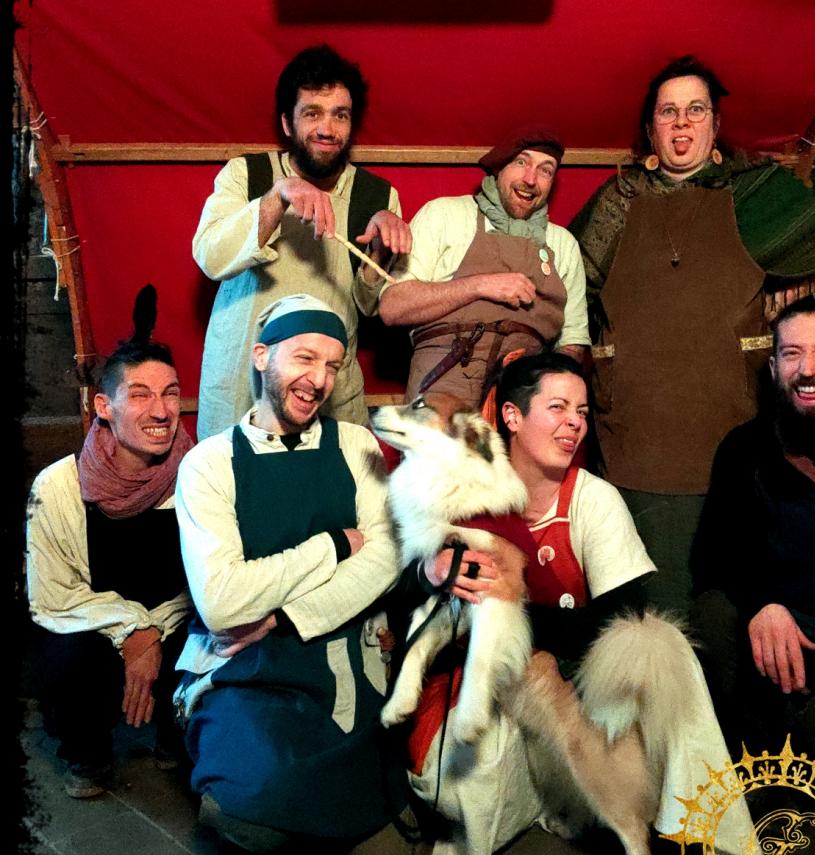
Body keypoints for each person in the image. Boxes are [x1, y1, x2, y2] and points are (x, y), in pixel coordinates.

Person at [398, 352, 744, 855]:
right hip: (494, 679)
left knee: (667, 647)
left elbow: (619, 617)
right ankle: (538, 801)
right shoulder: (466, 485)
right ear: (512, 416)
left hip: (576, 679)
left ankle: (695, 822)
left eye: (581, 412)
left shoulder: (593, 498)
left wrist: (517, 617)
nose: (574, 424)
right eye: (557, 408)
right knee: (456, 774)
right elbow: (412, 591)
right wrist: (429, 571)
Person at [569, 55, 815, 616]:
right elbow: (569, 282)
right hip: (633, 440)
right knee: (643, 615)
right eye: (668, 112)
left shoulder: (754, 191)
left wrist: (790, 293)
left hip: (734, 435)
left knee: (725, 607)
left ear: (714, 124)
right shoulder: (617, 201)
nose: (682, 123)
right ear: (651, 130)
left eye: (695, 110)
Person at [174, 293, 422, 855]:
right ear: (262, 357)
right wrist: (333, 546)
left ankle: (305, 833)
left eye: (333, 364)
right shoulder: (208, 464)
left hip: (342, 665)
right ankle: (260, 839)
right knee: (252, 805)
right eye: (304, 357)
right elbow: (222, 601)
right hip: (248, 668)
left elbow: (388, 555)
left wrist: (283, 615)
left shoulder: (356, 444)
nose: (319, 378)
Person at [691, 297, 815, 779]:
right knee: (712, 614)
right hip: (777, 639)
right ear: (775, 367)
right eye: (792, 354)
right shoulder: (746, 447)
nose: (808, 370)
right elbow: (713, 555)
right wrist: (762, 604)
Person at [193, 43, 411, 439]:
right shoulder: (248, 174)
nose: (327, 129)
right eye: (312, 113)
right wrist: (277, 197)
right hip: (244, 386)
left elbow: (367, 306)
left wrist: (380, 253)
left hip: (328, 392)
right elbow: (211, 256)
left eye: (340, 115)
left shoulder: (376, 195)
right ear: (287, 124)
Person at [26, 287, 193, 798]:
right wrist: (131, 631)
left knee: (211, 642)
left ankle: (177, 734)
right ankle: (87, 752)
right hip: (96, 627)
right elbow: (51, 596)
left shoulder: (200, 476)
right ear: (104, 406)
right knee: (70, 657)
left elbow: (208, 584)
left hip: (173, 621)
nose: (161, 411)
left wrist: (153, 633)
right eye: (140, 394)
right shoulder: (58, 485)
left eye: (170, 393)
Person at [379, 129, 589, 406]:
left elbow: (573, 343)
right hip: (440, 392)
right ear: (499, 167)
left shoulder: (563, 244)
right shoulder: (445, 214)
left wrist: (545, 397)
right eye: (521, 162)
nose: (530, 179)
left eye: (545, 170)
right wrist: (481, 285)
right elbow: (392, 307)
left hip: (521, 402)